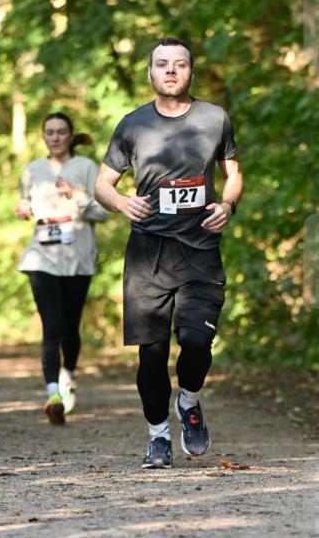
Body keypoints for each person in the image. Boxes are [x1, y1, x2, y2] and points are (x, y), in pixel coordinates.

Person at [95, 37, 243, 469]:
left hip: (200, 250)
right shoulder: (132, 124)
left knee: (197, 342)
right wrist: (122, 203)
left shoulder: (215, 118)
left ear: (190, 72)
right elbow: (103, 184)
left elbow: (232, 175)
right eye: (163, 65)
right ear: (150, 73)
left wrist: (227, 205)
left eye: (180, 64)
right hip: (148, 256)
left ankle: (190, 400)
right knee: (153, 354)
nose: (171, 71)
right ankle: (157, 435)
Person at [17, 112, 108, 423]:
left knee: (70, 328)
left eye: (61, 132)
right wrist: (24, 208)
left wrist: (78, 196)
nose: (55, 137)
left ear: (71, 136)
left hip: (78, 259)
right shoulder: (33, 170)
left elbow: (103, 213)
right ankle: (53, 392)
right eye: (50, 132)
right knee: (51, 327)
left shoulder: (86, 168)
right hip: (41, 259)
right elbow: (26, 202)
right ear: (44, 137)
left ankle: (67, 374)